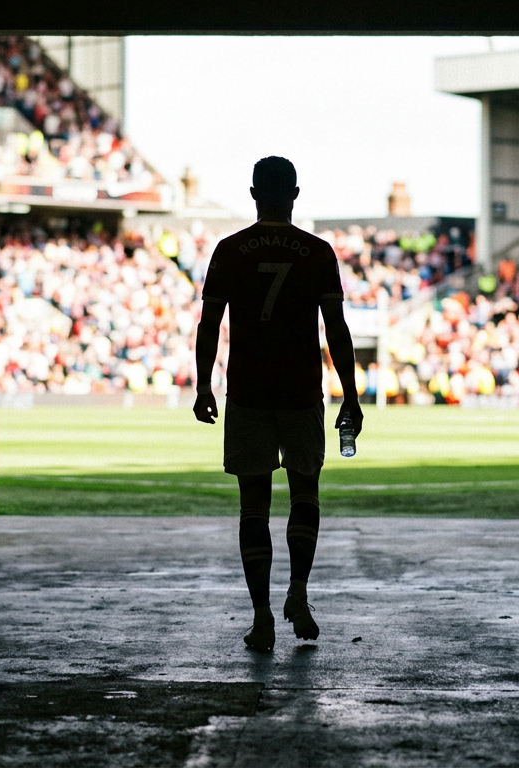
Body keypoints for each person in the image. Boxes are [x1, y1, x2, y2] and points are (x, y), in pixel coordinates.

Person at [193, 157, 363, 652]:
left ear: (252, 193)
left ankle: (262, 616)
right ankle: (300, 592)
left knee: (254, 507)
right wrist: (351, 394)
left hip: (247, 391)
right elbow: (336, 329)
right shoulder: (317, 252)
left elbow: (209, 325)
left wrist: (203, 385)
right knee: (305, 495)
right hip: (301, 390)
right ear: (294, 194)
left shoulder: (230, 250)